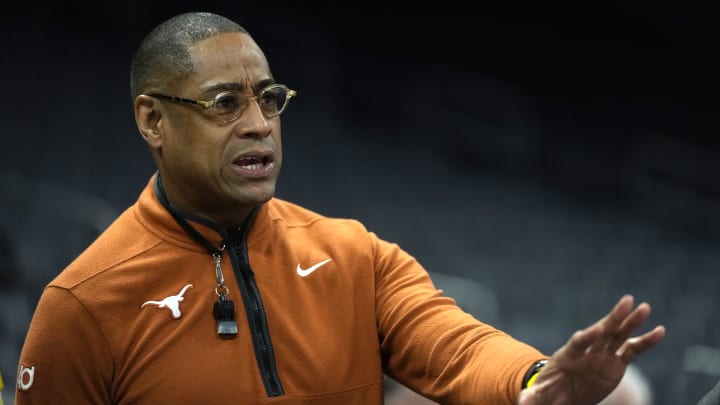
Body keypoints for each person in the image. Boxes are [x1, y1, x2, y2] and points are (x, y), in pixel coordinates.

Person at [15, 11, 665, 405]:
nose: (259, 125)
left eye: (269, 99)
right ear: (152, 119)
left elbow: (458, 346)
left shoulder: (354, 255)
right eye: (224, 104)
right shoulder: (82, 306)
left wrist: (534, 379)